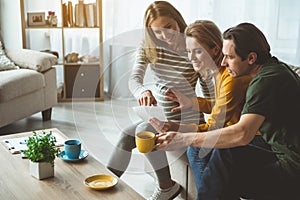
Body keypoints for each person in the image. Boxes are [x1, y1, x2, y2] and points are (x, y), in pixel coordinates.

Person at [151, 22, 300, 199]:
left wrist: (183, 137)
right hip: (276, 150)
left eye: (229, 57)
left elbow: (242, 133)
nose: (223, 62)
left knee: (221, 164)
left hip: (292, 168)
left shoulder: (266, 81)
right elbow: (223, 109)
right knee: (222, 163)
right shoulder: (273, 70)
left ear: (251, 58)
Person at [106, 1, 214, 200]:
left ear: (178, 21)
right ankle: (103, 185)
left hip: (187, 121)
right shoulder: (150, 47)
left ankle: (166, 187)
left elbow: (212, 98)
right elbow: (134, 79)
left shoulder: (193, 48)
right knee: (124, 137)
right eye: (158, 32)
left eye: (169, 27)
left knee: (142, 131)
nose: (165, 36)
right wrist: (141, 92)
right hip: (159, 117)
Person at [161, 20, 266, 193]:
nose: (191, 57)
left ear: (215, 49)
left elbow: (213, 126)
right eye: (188, 52)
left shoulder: (232, 78)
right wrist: (192, 102)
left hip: (257, 137)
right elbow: (222, 106)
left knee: (197, 149)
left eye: (197, 51)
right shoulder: (221, 73)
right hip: (239, 129)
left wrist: (179, 129)